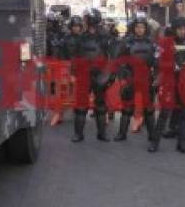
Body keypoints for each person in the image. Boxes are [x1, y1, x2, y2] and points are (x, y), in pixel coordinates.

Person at [150, 17, 185, 154]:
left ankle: (182, 144)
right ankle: (155, 142)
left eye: (184, 29)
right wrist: (169, 67)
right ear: (174, 30)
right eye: (179, 29)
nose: (182, 31)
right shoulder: (164, 44)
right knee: (164, 113)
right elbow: (155, 61)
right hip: (169, 82)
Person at [65, 8, 113, 142]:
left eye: (86, 19)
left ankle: (102, 133)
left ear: (90, 20)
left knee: (101, 106)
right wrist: (73, 73)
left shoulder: (105, 37)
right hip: (83, 74)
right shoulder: (81, 38)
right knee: (81, 106)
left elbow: (111, 57)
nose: (83, 21)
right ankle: (79, 134)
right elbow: (75, 57)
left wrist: (110, 75)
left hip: (99, 74)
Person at [113, 16, 157, 142]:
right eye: (137, 27)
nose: (139, 29)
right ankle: (122, 133)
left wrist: (157, 76)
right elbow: (119, 60)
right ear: (133, 28)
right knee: (127, 107)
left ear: (146, 28)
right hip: (130, 77)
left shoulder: (152, 43)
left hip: (147, 78)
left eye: (142, 27)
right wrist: (123, 76)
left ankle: (152, 135)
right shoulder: (126, 43)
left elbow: (157, 60)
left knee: (148, 108)